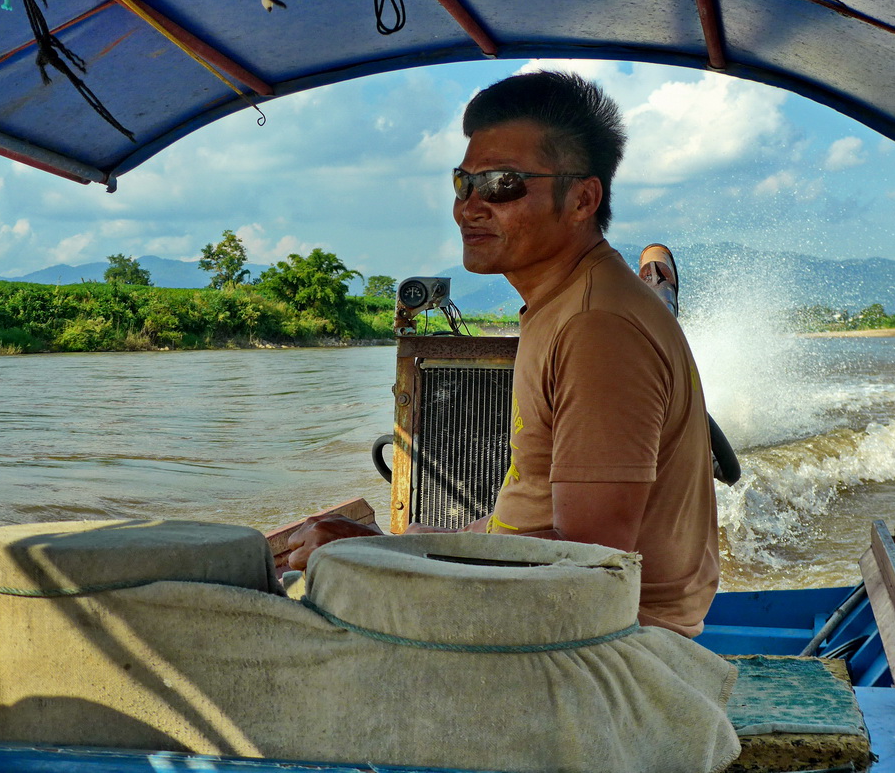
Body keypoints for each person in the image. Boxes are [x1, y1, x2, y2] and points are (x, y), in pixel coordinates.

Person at [287, 71, 719, 638]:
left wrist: (380, 556)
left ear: (582, 198)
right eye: (463, 183)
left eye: (501, 185)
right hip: (555, 617)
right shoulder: (559, 304)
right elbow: (538, 524)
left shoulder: (597, 327)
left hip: (613, 649)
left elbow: (589, 570)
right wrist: (419, 543)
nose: (468, 208)